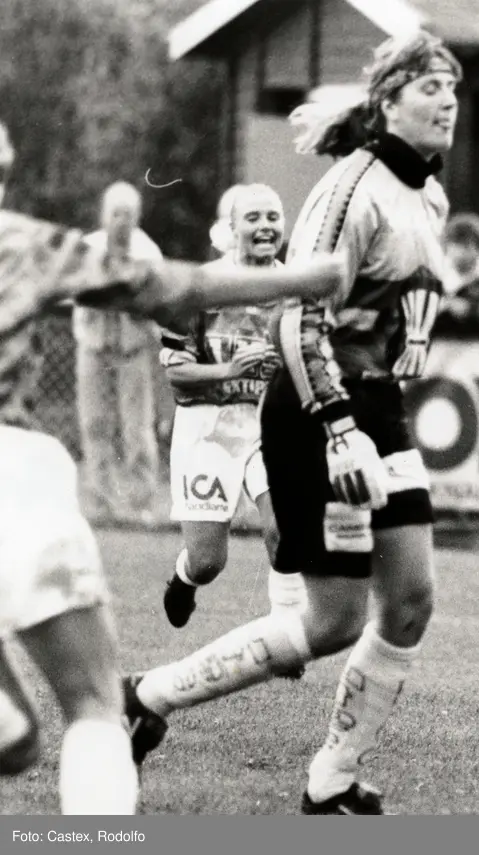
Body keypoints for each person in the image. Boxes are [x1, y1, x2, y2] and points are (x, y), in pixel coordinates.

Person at [122, 30, 459, 815]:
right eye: (430, 86)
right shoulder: (350, 190)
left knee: (411, 600)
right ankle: (146, 695)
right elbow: (295, 325)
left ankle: (331, 777)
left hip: (376, 408)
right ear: (389, 102)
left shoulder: (429, 193)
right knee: (333, 621)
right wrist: (338, 427)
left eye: (452, 87)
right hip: (318, 411)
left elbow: (397, 297)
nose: (448, 101)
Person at [0, 120, 347, 814]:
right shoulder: (19, 243)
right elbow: (171, 287)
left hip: (255, 432)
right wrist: (314, 276)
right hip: (18, 471)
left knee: (17, 743)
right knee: (94, 705)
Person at [159, 183, 308, 633]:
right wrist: (229, 370)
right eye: (253, 218)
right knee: (208, 561)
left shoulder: (297, 290)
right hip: (208, 429)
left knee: (286, 531)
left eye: (273, 217)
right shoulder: (201, 287)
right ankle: (185, 578)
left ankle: (285, 638)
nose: (265, 226)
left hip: (270, 426)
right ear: (232, 227)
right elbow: (176, 373)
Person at [73, 182, 165, 523]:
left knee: (137, 427)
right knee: (94, 423)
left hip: (132, 348)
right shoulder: (88, 248)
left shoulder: (148, 253)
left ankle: (141, 503)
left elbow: (158, 303)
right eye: (115, 213)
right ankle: (100, 502)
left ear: (137, 217)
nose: (121, 221)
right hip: (93, 346)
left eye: (128, 214)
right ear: (104, 216)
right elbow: (74, 292)